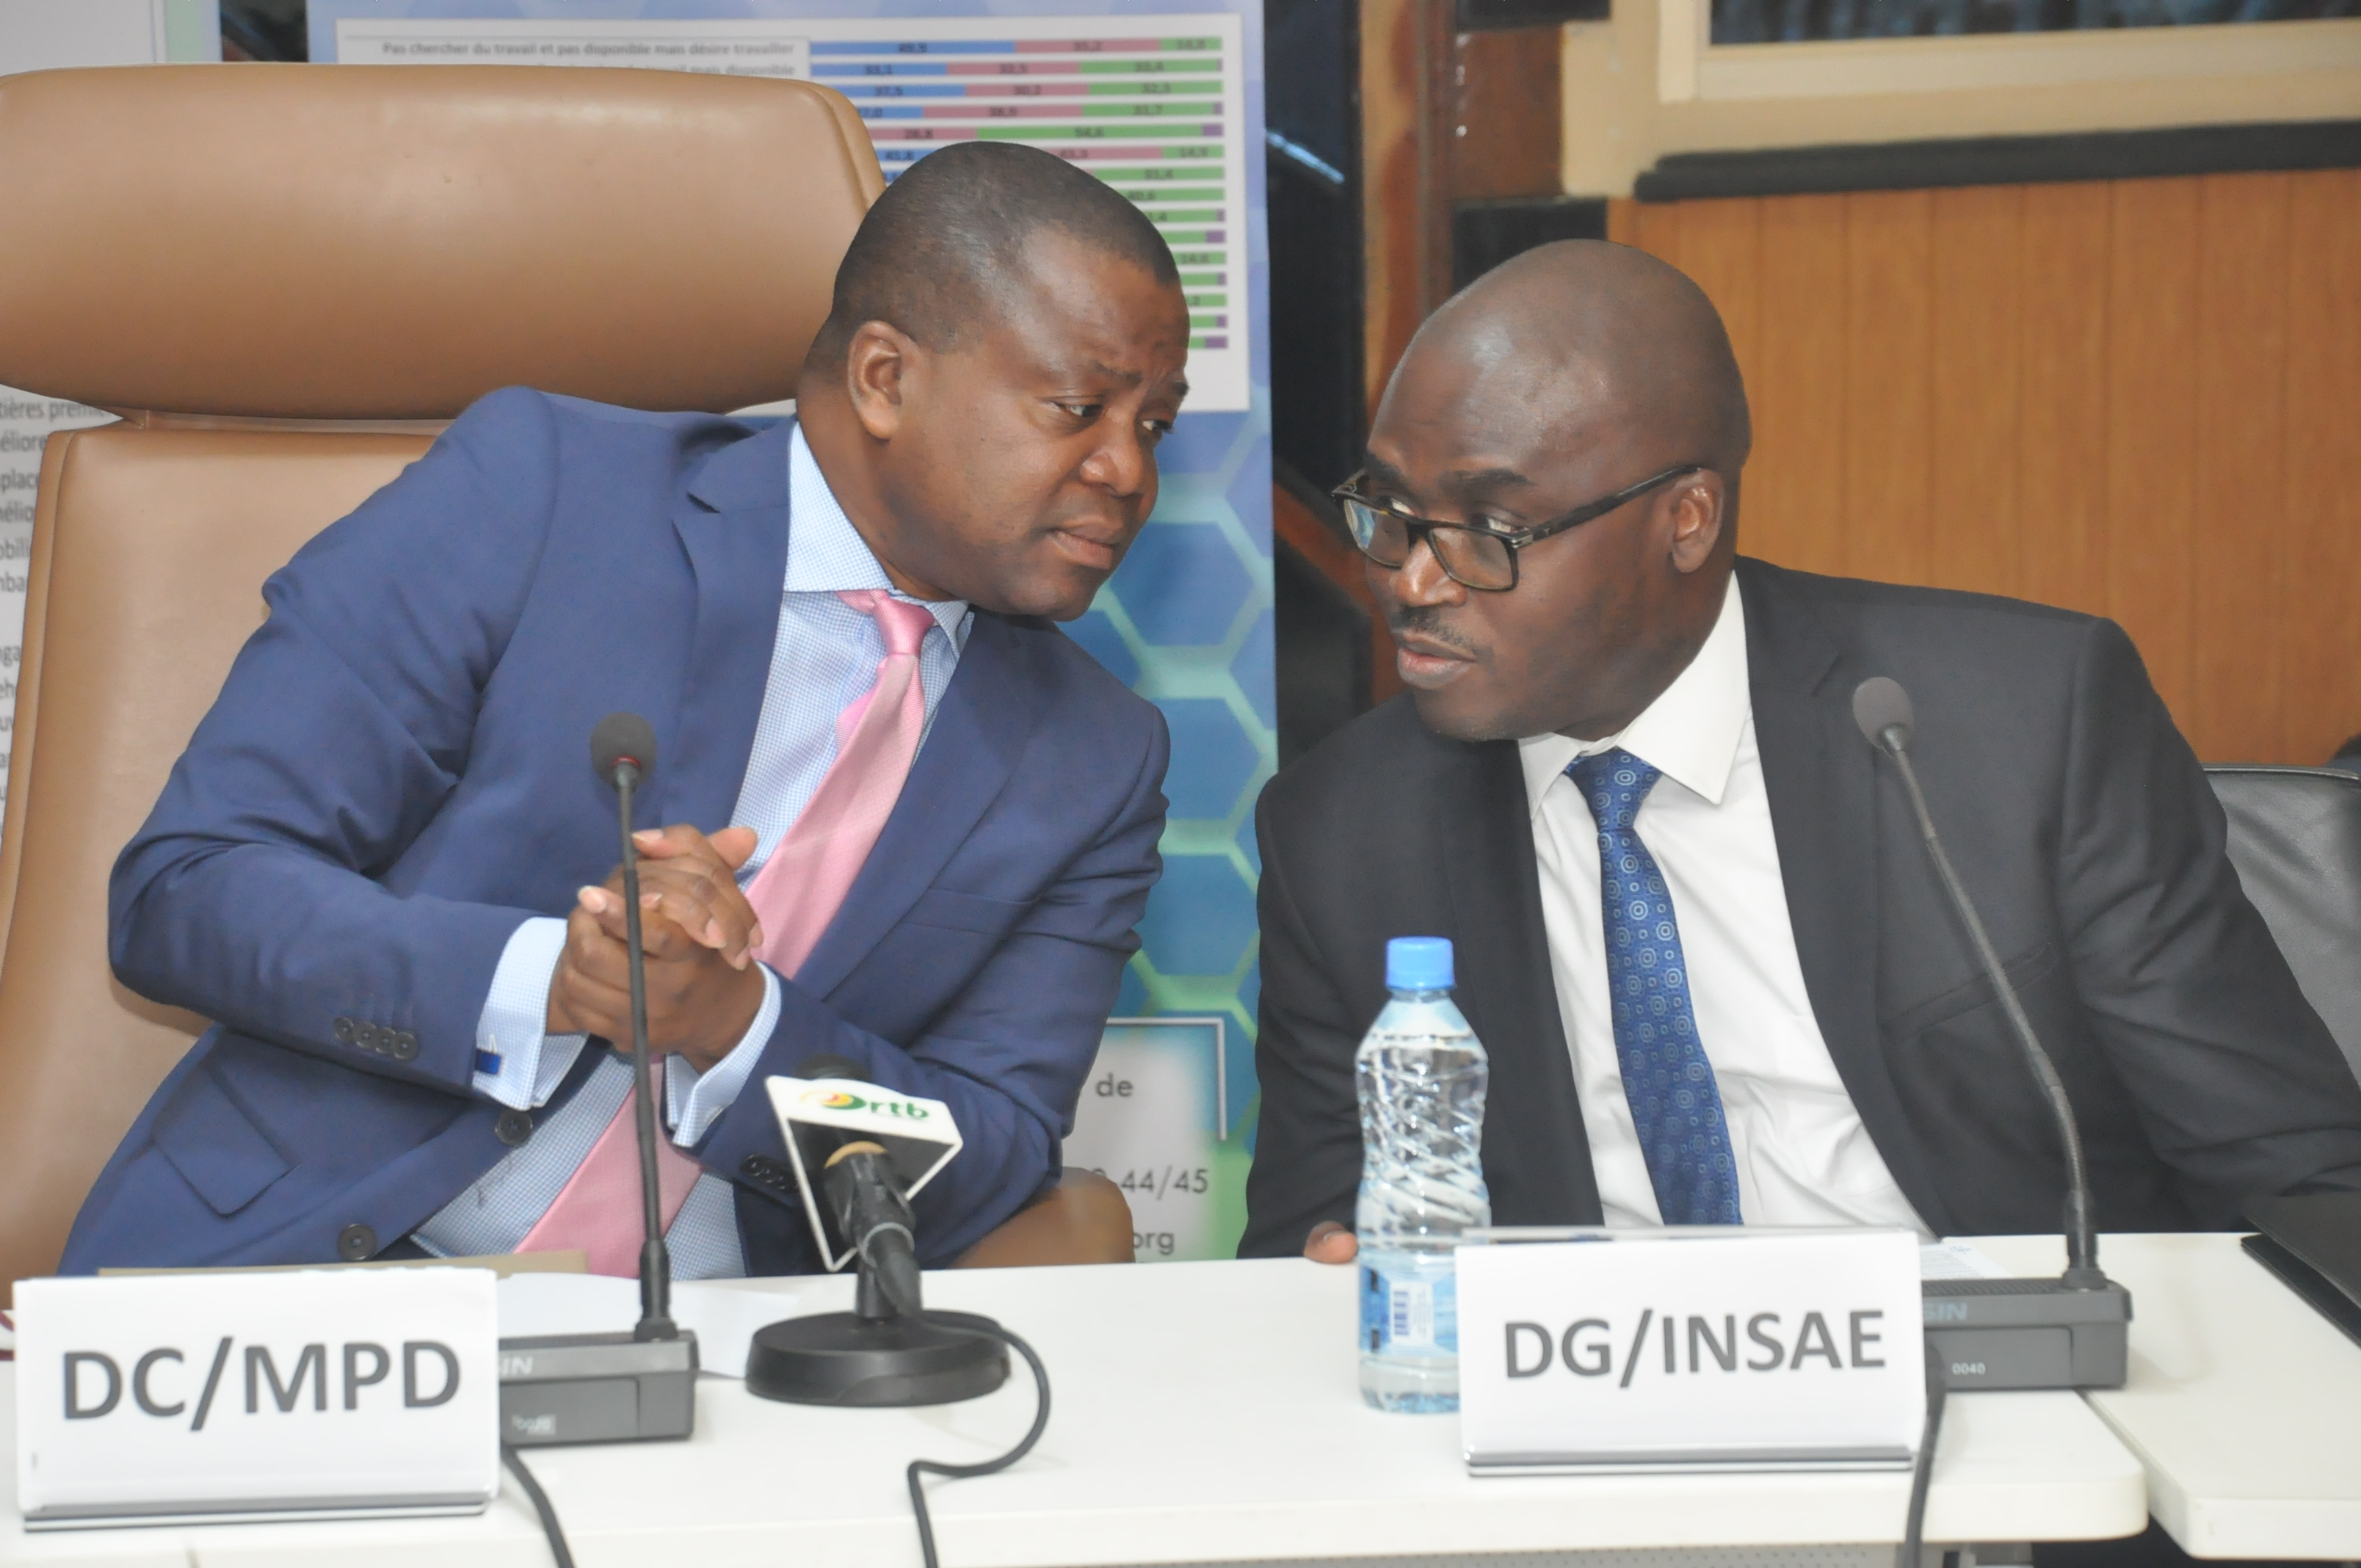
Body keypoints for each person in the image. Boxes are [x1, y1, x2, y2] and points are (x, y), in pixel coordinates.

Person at [67, 142, 1187, 1279]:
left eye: (1154, 426)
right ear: (885, 380)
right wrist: (553, 979)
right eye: (1078, 407)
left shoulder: (1094, 757)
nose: (1127, 471)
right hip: (315, 1289)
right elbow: (190, 888)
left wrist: (738, 1030)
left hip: (727, 1350)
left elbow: (987, 1157)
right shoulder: (544, 493)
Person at [1243, 240, 2361, 1263]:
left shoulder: (2021, 726)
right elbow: (1311, 1240)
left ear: (1686, 519)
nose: (1413, 580)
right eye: (1389, 509)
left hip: (1997, 1371)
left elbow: (2293, 1173)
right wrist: (1334, 1273)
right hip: (1589, 1393)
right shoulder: (1341, 834)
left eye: (1488, 531)